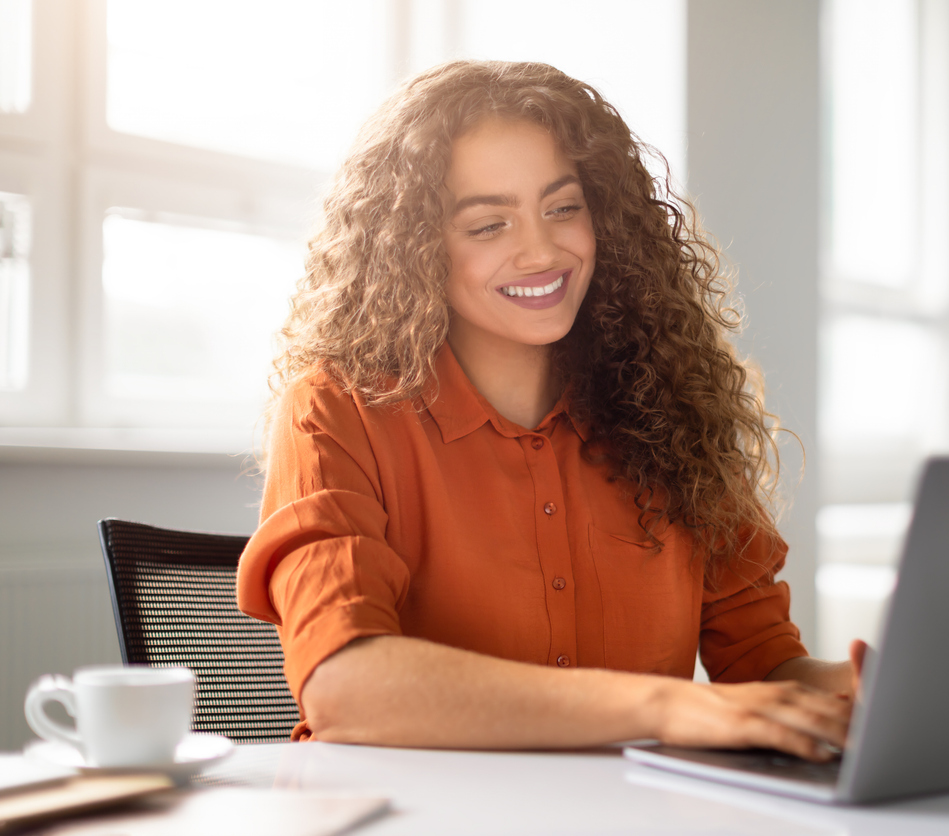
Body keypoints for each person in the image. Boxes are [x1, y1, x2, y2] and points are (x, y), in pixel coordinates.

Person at [237, 60, 865, 762]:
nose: (541, 250)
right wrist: (666, 703)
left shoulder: (672, 410)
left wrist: (874, 686)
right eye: (488, 224)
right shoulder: (335, 410)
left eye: (564, 208)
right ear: (415, 250)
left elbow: (764, 665)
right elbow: (345, 687)